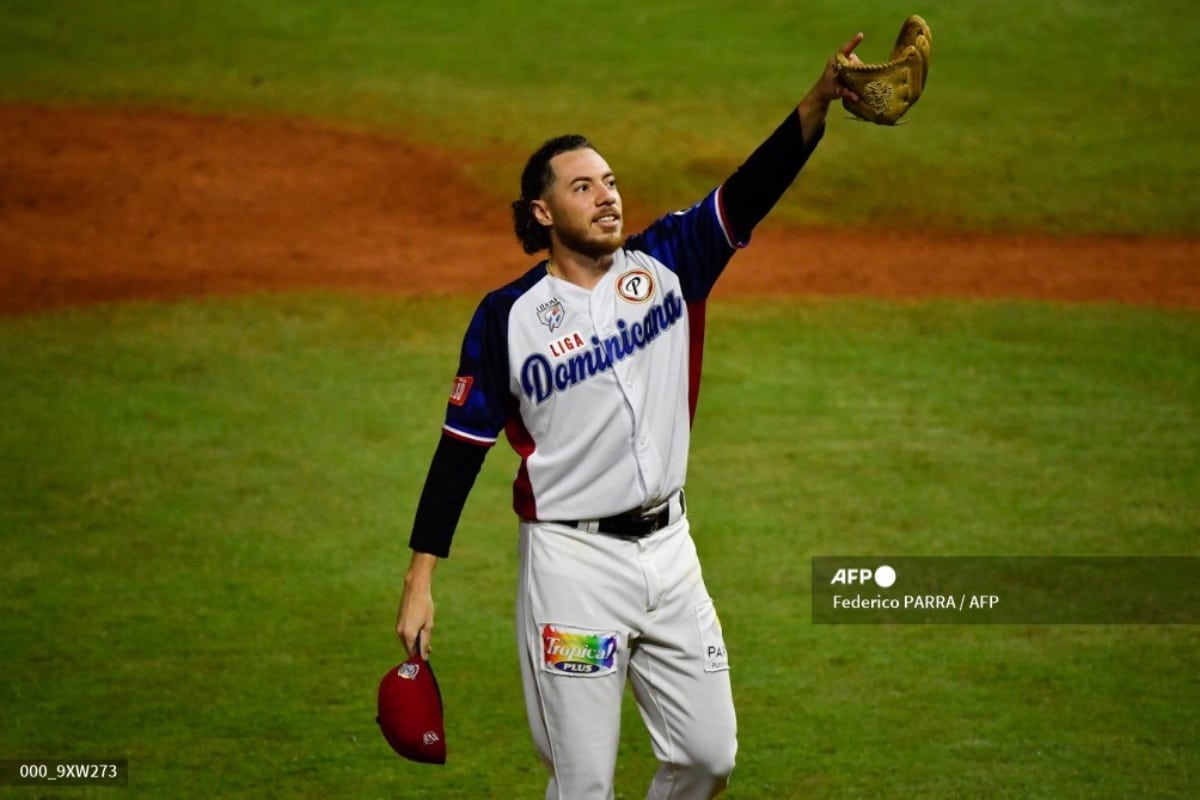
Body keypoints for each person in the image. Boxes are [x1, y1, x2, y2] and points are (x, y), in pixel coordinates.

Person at [396, 33, 866, 799]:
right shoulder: (506, 318)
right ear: (543, 211)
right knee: (582, 787)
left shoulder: (670, 264)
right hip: (573, 570)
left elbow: (750, 190)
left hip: (671, 554)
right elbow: (460, 451)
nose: (608, 195)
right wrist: (421, 580)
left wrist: (817, 104)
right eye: (584, 187)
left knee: (709, 757)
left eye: (611, 181)